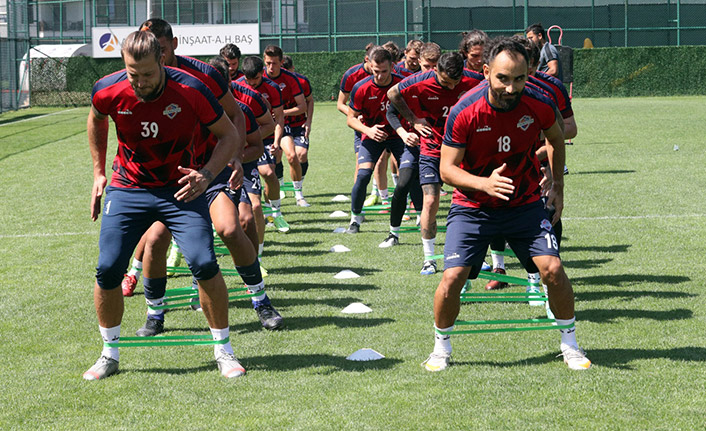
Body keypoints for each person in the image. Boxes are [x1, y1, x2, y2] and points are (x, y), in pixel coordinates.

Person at [84, 30, 246, 380]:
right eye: (132, 74)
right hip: (128, 187)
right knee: (108, 268)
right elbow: (96, 118)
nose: (140, 82)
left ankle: (224, 350)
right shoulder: (107, 88)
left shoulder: (191, 89)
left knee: (203, 262)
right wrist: (99, 173)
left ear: (162, 61)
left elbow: (229, 134)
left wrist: (206, 174)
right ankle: (108, 354)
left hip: (181, 189)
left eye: (147, 74)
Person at [422, 36, 590, 372]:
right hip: (473, 208)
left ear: (529, 74)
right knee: (453, 277)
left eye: (519, 78)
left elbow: (557, 137)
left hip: (525, 205)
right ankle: (441, 347)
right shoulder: (464, 111)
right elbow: (447, 169)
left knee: (553, 270)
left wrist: (557, 185)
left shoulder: (540, 103)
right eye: (502, 78)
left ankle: (570, 344)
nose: (511, 88)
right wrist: (483, 183)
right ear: (485, 71)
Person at [120, 18, 246, 295]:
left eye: (161, 48)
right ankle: (141, 287)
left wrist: (235, 156)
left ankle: (259, 296)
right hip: (166, 174)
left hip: (209, 167)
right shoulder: (137, 79)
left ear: (173, 45)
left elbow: (235, 115)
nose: (155, 56)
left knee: (229, 230)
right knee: (154, 236)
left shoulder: (202, 75)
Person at [384, 52, 483, 275]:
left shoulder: (473, 79)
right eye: (445, 82)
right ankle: (429, 259)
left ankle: (477, 254)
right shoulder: (421, 80)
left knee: (474, 199)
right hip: (432, 146)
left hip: (463, 147)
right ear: (436, 70)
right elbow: (392, 93)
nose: (450, 88)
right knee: (429, 200)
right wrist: (413, 120)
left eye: (455, 84)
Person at [345, 47, 405, 233]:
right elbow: (351, 118)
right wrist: (368, 131)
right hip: (373, 136)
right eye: (375, 71)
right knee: (362, 176)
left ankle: (420, 215)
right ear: (370, 66)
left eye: (384, 72)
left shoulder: (403, 84)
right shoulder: (361, 87)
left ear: (392, 67)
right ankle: (355, 218)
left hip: (399, 136)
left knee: (411, 175)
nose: (379, 76)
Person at [237, 55, 291, 234]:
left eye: (256, 79)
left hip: (265, 137)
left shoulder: (273, 88)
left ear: (262, 73)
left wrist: (276, 142)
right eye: (248, 79)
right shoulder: (236, 87)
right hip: (240, 141)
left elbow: (278, 119)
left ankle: (276, 213)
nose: (252, 84)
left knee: (268, 172)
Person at [263, 47, 307, 207]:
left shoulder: (290, 79)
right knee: (269, 164)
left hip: (282, 124)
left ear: (281, 63)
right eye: (267, 63)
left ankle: (299, 195)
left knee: (293, 156)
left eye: (274, 63)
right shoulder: (257, 76)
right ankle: (271, 204)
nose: (271, 67)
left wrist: (281, 113)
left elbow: (302, 107)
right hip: (261, 126)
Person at [282, 54, 314, 207]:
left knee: (301, 154)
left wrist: (308, 121)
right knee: (283, 155)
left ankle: (298, 188)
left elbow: (309, 101)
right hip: (282, 124)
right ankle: (282, 185)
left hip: (299, 124)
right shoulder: (273, 82)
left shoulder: (301, 81)